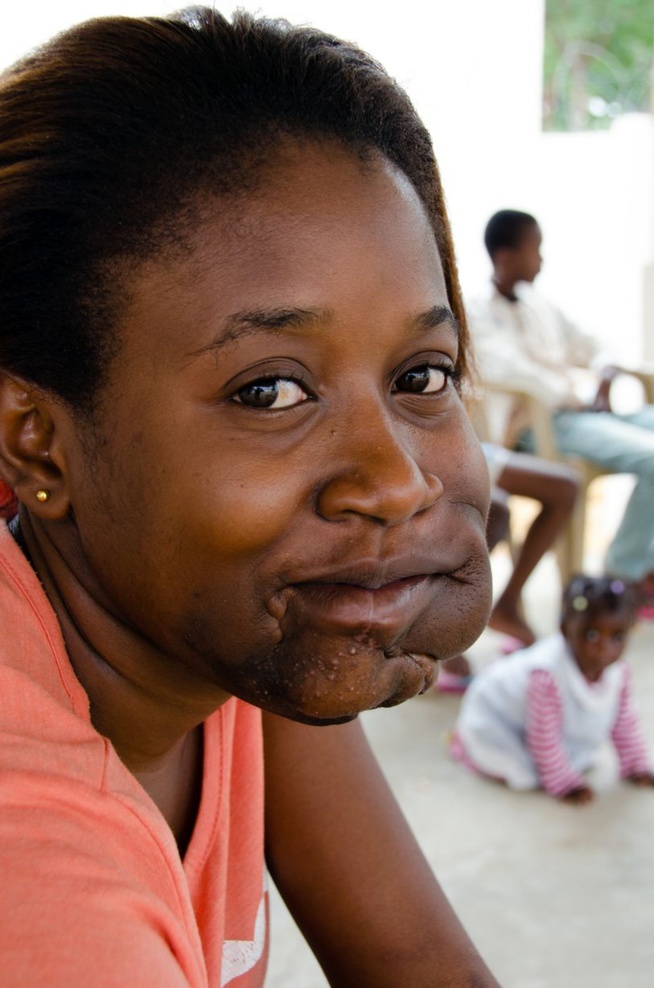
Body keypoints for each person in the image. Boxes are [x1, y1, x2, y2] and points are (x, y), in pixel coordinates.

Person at [0, 9, 501, 987]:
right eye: (270, 390)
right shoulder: (32, 875)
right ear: (35, 437)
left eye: (423, 375)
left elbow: (416, 960)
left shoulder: (224, 623)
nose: (396, 481)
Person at [467, 208, 654, 587]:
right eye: (535, 249)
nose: (541, 259)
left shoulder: (540, 305)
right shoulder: (477, 313)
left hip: (587, 414)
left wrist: (605, 372)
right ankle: (621, 578)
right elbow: (521, 375)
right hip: (543, 425)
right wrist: (577, 393)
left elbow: (591, 343)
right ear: (506, 256)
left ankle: (643, 569)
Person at [451, 575, 653, 803]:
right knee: (520, 769)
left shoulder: (619, 672)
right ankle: (462, 744)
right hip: (495, 715)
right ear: (565, 629)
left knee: (572, 750)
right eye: (591, 635)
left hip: (540, 720)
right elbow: (543, 735)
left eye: (617, 637)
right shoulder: (546, 675)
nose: (604, 648)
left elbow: (624, 720)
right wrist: (565, 784)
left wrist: (636, 766)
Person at [438, 445, 579, 691]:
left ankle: (507, 605)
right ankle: (442, 630)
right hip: (423, 442)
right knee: (496, 508)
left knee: (566, 486)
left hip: (462, 441)